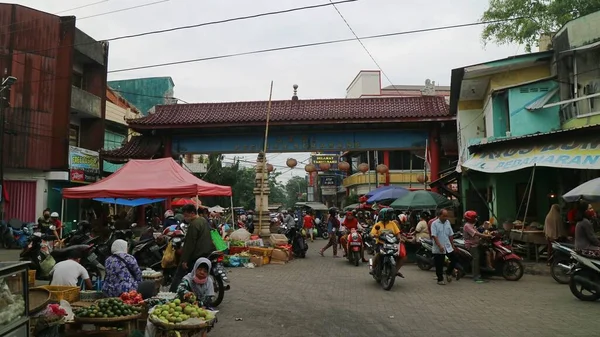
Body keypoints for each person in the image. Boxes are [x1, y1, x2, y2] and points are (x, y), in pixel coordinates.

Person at [170, 204, 216, 293]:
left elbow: (190, 244)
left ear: (192, 213)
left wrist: (184, 260)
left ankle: (173, 293)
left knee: (180, 275)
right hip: (206, 253)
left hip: (196, 255)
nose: (185, 217)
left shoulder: (194, 224)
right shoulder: (203, 220)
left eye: (186, 215)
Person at [369, 207, 405, 277]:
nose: (390, 215)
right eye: (388, 214)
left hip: (391, 244)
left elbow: (397, 233)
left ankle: (395, 270)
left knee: (401, 256)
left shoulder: (393, 224)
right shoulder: (378, 224)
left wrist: (399, 238)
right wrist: (373, 235)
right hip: (380, 243)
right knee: (378, 254)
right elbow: (372, 233)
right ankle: (373, 269)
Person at [430, 209, 458, 285]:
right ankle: (440, 279)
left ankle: (448, 272)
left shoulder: (448, 222)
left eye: (446, 216)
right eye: (444, 216)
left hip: (448, 245)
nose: (446, 217)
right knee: (439, 263)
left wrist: (452, 244)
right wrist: (439, 245)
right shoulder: (434, 224)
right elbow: (434, 236)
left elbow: (450, 234)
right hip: (439, 246)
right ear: (439, 216)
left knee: (454, 259)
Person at [462, 211, 491, 283]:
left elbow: (478, 231)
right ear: (470, 219)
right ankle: (476, 277)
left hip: (477, 243)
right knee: (475, 259)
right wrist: (484, 236)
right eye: (474, 217)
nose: (475, 219)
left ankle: (483, 272)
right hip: (471, 245)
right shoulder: (467, 225)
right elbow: (475, 233)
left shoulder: (472, 225)